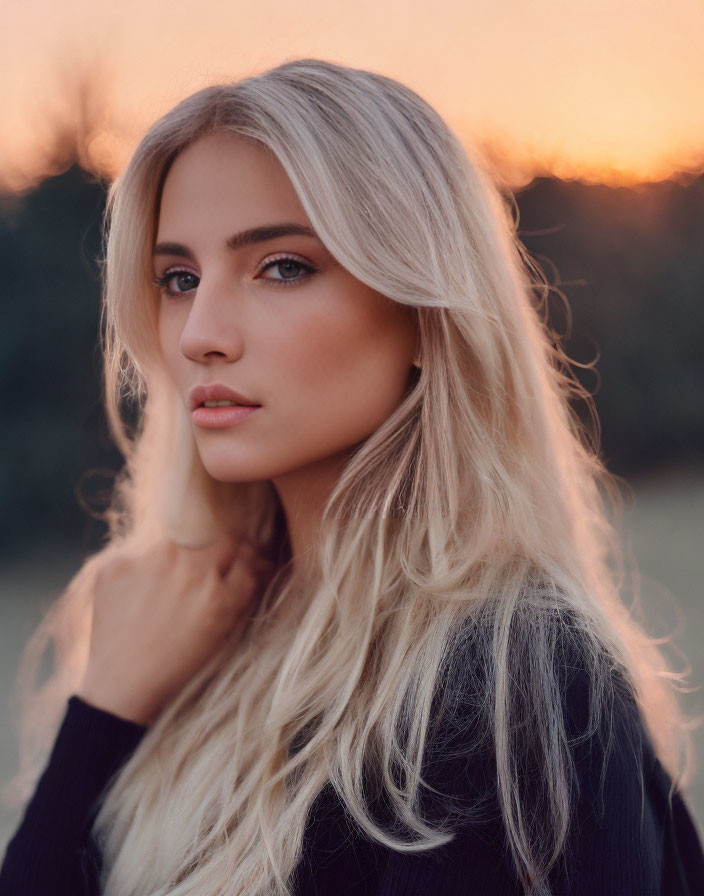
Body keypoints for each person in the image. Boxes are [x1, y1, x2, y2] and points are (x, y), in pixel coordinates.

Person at [0, 57, 702, 896]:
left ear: (424, 310)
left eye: (282, 266)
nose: (200, 335)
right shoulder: (191, 636)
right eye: (178, 279)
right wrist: (103, 712)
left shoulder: (515, 676)